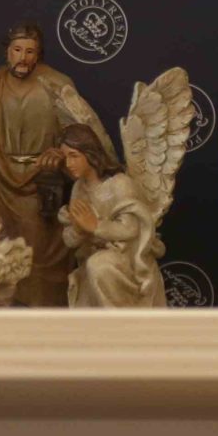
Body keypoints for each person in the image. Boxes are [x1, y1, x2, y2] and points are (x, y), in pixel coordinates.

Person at [0, 23, 106, 306]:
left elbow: (79, 134)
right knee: (2, 254)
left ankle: (45, 317)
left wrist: (60, 154)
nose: (23, 58)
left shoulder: (56, 84)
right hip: (0, 183)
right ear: (7, 52)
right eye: (17, 50)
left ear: (39, 54)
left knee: (39, 260)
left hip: (42, 182)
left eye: (30, 51)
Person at [55, 123, 164, 308]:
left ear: (90, 153)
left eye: (74, 156)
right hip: (93, 260)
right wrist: (79, 230)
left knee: (99, 265)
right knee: (94, 265)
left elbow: (130, 229)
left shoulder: (119, 184)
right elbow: (70, 240)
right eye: (65, 157)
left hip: (126, 262)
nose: (68, 164)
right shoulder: (78, 188)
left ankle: (117, 322)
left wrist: (96, 226)